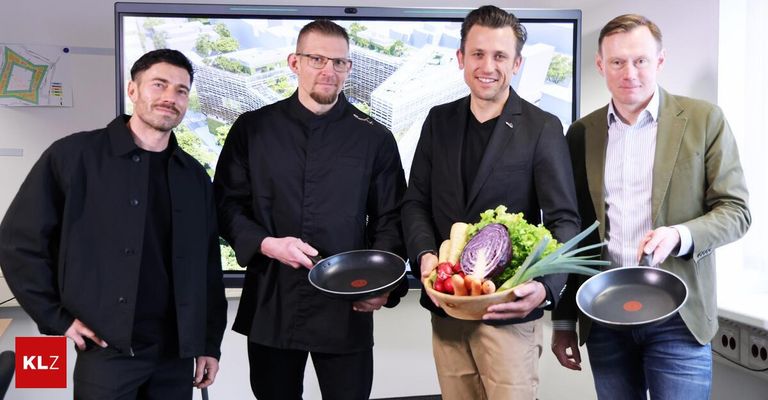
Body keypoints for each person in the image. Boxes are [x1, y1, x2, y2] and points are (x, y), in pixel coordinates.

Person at [0, 49, 228, 399]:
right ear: (132, 90)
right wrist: (55, 317)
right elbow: (18, 242)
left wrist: (210, 342)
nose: (171, 97)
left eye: (182, 90)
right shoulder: (73, 156)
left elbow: (208, 268)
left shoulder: (194, 176)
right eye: (159, 84)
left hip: (175, 353)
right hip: (105, 348)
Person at [551, 14, 751, 399]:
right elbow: (573, 232)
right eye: (617, 62)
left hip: (679, 316)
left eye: (640, 60)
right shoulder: (581, 133)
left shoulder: (704, 120)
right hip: (604, 315)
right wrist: (563, 320)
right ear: (600, 66)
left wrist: (680, 235)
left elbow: (737, 211)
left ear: (659, 61)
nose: (630, 72)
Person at [213, 19, 408, 400]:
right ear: (294, 62)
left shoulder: (374, 137)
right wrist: (267, 243)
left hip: (347, 306)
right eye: (317, 59)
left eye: (339, 63)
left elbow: (391, 219)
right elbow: (225, 204)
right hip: (272, 301)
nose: (328, 71)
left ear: (349, 68)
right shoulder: (253, 128)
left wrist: (383, 286)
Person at [401, 6, 581, 400]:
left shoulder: (542, 127)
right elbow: (415, 203)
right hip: (448, 309)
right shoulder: (437, 121)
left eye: (500, 56)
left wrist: (546, 288)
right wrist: (426, 257)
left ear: (516, 63)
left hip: (509, 313)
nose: (488, 66)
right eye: (478, 54)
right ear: (461, 58)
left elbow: (565, 220)